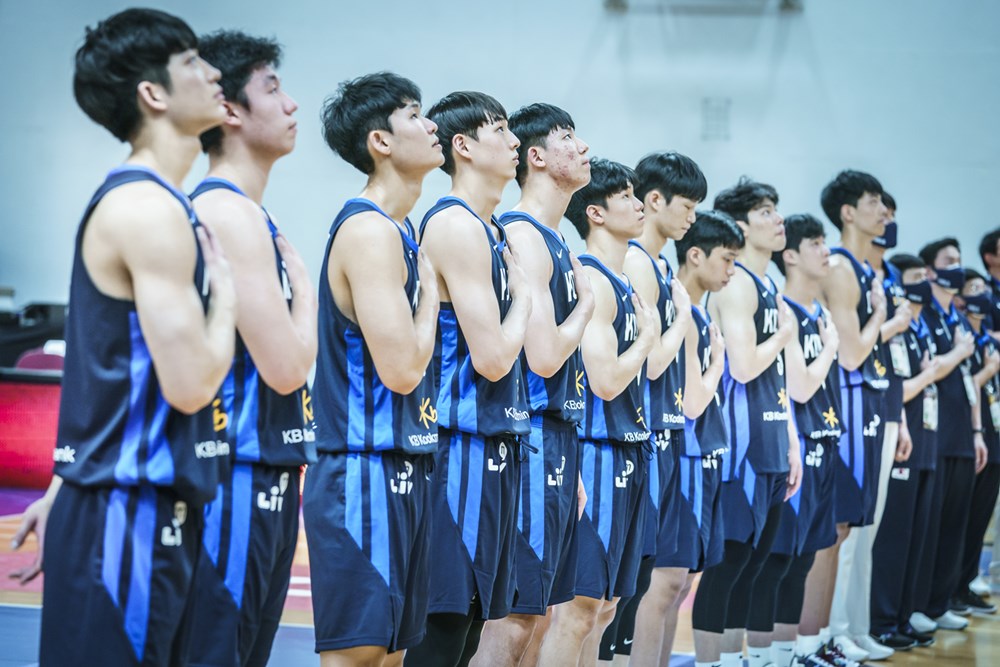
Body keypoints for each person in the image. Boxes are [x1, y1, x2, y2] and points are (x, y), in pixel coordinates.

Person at [9, 9, 237, 665]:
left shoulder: (164, 201)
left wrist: (62, 484)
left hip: (128, 506)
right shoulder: (147, 208)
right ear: (153, 93)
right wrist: (225, 302)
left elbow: (110, 365)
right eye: (194, 62)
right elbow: (192, 383)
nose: (213, 72)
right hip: (122, 516)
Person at [184, 31, 318, 667]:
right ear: (230, 110)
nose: (291, 105)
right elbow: (289, 368)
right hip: (230, 470)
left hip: (261, 469)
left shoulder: (253, 215)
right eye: (273, 89)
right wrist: (308, 293)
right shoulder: (228, 214)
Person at [301, 72, 442, 667]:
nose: (432, 123)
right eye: (415, 114)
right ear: (380, 141)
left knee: (390, 655)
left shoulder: (403, 230)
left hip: (401, 463)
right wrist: (433, 290)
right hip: (360, 469)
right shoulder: (369, 231)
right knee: (358, 656)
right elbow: (404, 369)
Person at [405, 91, 532, 667]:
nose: (514, 142)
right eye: (500, 130)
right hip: (458, 443)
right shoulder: (456, 225)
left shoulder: (493, 228)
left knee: (477, 617)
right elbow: (493, 358)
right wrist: (528, 294)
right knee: (447, 618)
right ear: (463, 146)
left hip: (495, 441)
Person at [471, 103, 595, 667]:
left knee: (541, 614)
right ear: (538, 156)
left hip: (558, 441)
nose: (584, 148)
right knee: (514, 618)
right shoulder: (523, 233)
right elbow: (544, 357)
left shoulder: (556, 238)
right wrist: (589, 304)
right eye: (569, 137)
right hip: (530, 436)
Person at [542, 157, 656, 667]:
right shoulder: (592, 278)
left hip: (628, 452)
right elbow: (606, 382)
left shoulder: (622, 279)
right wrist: (651, 338)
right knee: (579, 607)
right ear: (596, 213)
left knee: (607, 606)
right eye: (627, 196)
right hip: (597, 451)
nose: (639, 204)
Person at [601, 151, 705, 667]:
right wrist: (684, 316)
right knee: (620, 590)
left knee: (646, 579)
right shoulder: (638, 262)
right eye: (687, 206)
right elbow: (654, 363)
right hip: (636, 433)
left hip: (659, 433)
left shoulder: (659, 263)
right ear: (655, 199)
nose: (692, 218)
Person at [692, 178, 801, 667]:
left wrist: (793, 443)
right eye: (764, 211)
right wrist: (784, 334)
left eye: (776, 209)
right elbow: (742, 365)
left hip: (774, 437)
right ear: (739, 225)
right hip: (741, 449)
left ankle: (741, 661)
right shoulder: (734, 284)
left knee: (755, 568)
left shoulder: (767, 284)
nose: (777, 219)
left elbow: (776, 377)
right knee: (730, 566)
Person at [745, 214, 843, 667]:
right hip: (793, 446)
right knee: (779, 562)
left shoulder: (819, 313)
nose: (827, 251)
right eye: (817, 243)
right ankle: (762, 655)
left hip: (824, 443)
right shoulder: (785, 308)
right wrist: (829, 348)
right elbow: (801, 388)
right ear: (792, 256)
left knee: (805, 558)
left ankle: (795, 652)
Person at [806, 170, 889, 663]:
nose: (883, 211)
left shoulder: (862, 267)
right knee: (837, 531)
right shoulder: (839, 266)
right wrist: (884, 316)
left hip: (868, 406)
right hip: (846, 404)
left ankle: (839, 631)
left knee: (850, 532)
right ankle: (824, 634)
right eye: (874, 200)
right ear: (848, 212)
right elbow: (854, 353)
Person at [910, 237, 985, 631]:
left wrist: (976, 431)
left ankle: (941, 601)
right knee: (930, 524)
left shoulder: (954, 318)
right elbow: (934, 366)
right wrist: (956, 354)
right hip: (933, 433)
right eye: (950, 261)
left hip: (961, 434)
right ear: (931, 270)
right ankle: (919, 603)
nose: (958, 266)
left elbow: (970, 382)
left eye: (960, 259)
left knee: (955, 523)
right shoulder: (924, 316)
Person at [869, 253, 942, 649]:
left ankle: (900, 614)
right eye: (916, 277)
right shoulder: (893, 329)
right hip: (898, 437)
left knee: (915, 534)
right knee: (893, 535)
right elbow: (899, 387)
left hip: (921, 437)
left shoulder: (916, 330)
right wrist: (931, 374)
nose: (923, 283)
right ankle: (881, 619)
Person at [955, 268, 1000, 614]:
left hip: (992, 433)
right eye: (974, 288)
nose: (982, 295)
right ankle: (951, 589)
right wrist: (988, 370)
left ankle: (966, 583)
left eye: (984, 289)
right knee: (961, 518)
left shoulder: (987, 337)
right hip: (969, 437)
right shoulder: (960, 337)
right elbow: (964, 384)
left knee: (981, 516)